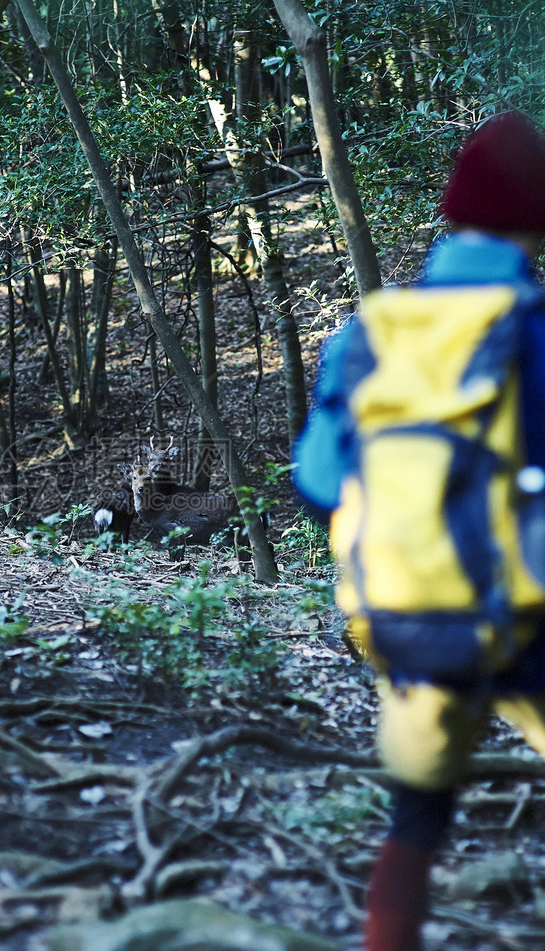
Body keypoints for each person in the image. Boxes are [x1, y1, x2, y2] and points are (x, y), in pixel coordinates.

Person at [293, 111, 545, 950]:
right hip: (527, 622)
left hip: (405, 629)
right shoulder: (532, 335)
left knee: (415, 819)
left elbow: (317, 481)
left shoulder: (370, 333)